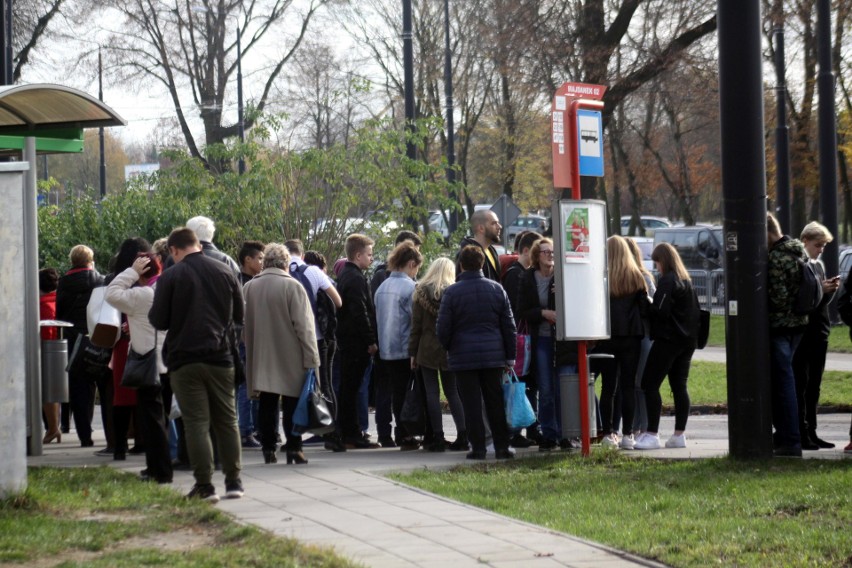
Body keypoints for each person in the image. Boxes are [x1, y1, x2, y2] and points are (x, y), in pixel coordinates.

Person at [149, 227, 245, 502]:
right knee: (227, 420)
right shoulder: (225, 270)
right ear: (198, 244)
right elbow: (240, 314)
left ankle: (204, 485)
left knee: (196, 423)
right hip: (221, 357)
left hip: (184, 358)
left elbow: (159, 320)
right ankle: (234, 481)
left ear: (174, 250)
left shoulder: (171, 276)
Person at [243, 243, 320, 465]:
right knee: (292, 403)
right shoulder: (293, 286)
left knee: (266, 403)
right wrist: (312, 358)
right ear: (286, 262)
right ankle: (294, 448)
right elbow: (304, 327)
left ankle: (268, 448)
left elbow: (241, 325)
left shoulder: (249, 287)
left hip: (261, 354)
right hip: (291, 354)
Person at [437, 245, 516, 460]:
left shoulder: (452, 292)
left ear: (461, 265)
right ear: (482, 263)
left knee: (471, 404)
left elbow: (443, 327)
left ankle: (478, 448)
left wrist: (448, 347)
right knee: (495, 401)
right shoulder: (497, 289)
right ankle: (501, 447)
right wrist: (510, 355)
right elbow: (509, 325)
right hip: (493, 356)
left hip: (463, 357)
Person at [105, 253, 173, 483]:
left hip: (148, 363)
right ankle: (154, 467)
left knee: (152, 421)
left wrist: (131, 271)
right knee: (160, 419)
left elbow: (111, 293)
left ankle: (161, 471)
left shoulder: (142, 295)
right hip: (168, 362)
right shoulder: (166, 289)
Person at [634, 242, 700, 450]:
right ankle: (679, 434)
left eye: (657, 262)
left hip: (668, 339)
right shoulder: (686, 281)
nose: (657, 267)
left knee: (649, 384)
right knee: (679, 386)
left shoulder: (667, 281)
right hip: (687, 341)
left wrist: (645, 302)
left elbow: (659, 311)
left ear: (663, 260)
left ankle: (652, 433)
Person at [285, 239, 345, 451]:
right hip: (317, 339)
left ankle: (293, 438)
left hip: (289, 341)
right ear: (301, 255)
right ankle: (332, 434)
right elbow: (337, 301)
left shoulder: (277, 271)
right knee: (325, 384)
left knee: (290, 389)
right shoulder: (313, 272)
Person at [595, 236, 650, 450]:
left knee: (608, 387)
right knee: (628, 386)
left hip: (608, 337)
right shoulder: (636, 277)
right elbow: (645, 309)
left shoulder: (602, 278)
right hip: (631, 337)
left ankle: (609, 433)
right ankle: (628, 435)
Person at [370, 231, 423, 448]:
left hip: (385, 347)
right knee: (405, 392)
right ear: (411, 264)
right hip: (404, 349)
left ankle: (387, 432)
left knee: (390, 392)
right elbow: (415, 321)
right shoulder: (410, 288)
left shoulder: (383, 287)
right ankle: (405, 433)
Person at [409, 257, 467, 452]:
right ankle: (463, 434)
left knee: (432, 394)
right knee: (453, 392)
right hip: (449, 347)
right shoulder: (455, 292)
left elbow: (415, 326)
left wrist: (412, 353)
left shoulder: (420, 291)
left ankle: (438, 437)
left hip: (426, 349)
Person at [792, 222, 840, 450]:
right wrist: (821, 289)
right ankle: (802, 431)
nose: (820, 249)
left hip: (820, 330)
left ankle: (812, 429)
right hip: (805, 332)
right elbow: (804, 301)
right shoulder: (800, 265)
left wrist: (828, 290)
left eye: (823, 246)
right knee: (802, 382)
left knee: (815, 386)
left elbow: (819, 300)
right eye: (817, 245)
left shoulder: (818, 265)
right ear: (805, 242)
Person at [763, 213, 807, 457]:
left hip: (780, 326)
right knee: (786, 381)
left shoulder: (777, 258)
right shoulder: (799, 252)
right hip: (799, 325)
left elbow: (778, 298)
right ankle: (786, 436)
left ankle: (790, 440)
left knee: (783, 384)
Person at [56, 244, 107, 448]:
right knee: (102, 385)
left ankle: (85, 436)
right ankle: (111, 437)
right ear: (90, 260)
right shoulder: (100, 280)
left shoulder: (64, 282)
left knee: (78, 388)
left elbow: (60, 313)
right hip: (97, 336)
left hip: (73, 339)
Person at [106, 237, 152, 462]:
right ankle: (142, 440)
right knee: (143, 393)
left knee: (121, 396)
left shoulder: (116, 278)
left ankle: (119, 445)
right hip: (141, 340)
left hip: (120, 342)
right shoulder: (147, 285)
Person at [517, 238, 564, 451]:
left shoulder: (562, 277)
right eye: (545, 252)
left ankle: (565, 433)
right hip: (541, 339)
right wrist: (544, 313)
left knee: (562, 388)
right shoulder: (527, 278)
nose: (549, 255)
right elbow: (521, 311)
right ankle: (548, 433)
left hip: (562, 340)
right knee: (545, 389)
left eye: (552, 251)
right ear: (537, 256)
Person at [335, 233, 379, 449]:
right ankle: (352, 434)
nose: (372, 258)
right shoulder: (355, 278)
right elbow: (359, 312)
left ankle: (347, 432)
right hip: (355, 343)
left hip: (347, 340)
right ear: (358, 254)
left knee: (347, 388)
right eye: (369, 254)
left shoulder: (345, 274)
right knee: (351, 389)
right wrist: (370, 340)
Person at [501, 230, 542, 447]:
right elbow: (515, 310)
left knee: (526, 384)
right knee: (520, 384)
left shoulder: (517, 272)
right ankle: (517, 430)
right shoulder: (516, 275)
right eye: (537, 251)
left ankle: (530, 428)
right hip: (521, 340)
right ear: (526, 251)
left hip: (522, 339)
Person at [624, 237, 656, 435]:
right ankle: (636, 426)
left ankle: (643, 427)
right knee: (633, 384)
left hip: (643, 333)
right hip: (635, 334)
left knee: (641, 383)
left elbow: (651, 305)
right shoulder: (627, 276)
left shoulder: (643, 277)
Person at [235, 240, 265, 449]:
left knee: (255, 386)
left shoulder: (255, 281)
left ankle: (253, 428)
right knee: (246, 386)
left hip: (255, 339)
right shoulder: (242, 283)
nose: (262, 262)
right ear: (248, 259)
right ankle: (245, 431)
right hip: (245, 340)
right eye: (260, 258)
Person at [39, 267, 62, 444]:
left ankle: (53, 428)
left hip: (47, 349)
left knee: (47, 391)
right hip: (60, 348)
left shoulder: (42, 304)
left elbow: (46, 331)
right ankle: (55, 427)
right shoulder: (58, 300)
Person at [457, 210, 502, 282]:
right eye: (494, 223)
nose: (499, 226)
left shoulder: (491, 250)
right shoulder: (466, 254)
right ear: (481, 228)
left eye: (498, 223)